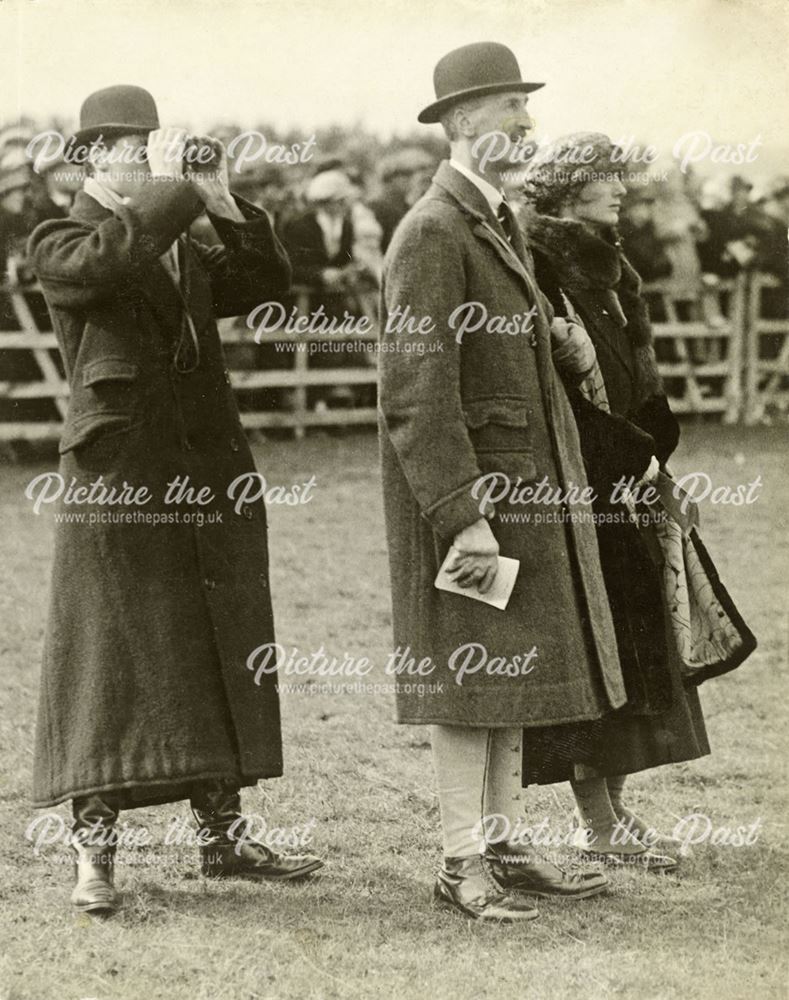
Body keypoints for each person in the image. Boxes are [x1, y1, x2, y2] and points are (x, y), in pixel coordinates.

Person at [27, 85, 323, 917]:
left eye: (153, 143)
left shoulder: (175, 233)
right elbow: (108, 260)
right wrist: (176, 191)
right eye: (131, 146)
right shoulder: (63, 238)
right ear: (90, 158)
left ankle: (222, 836)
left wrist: (225, 201)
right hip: (122, 480)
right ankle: (94, 855)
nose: (149, 155)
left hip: (204, 471)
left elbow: (265, 284)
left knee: (214, 643)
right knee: (113, 661)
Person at [378, 44, 629, 922]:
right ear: (458, 125)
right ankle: (458, 863)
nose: (526, 126)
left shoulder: (497, 222)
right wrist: (460, 515)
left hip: (521, 494)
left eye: (527, 110)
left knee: (508, 679)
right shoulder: (433, 231)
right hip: (476, 504)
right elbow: (414, 390)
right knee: (468, 681)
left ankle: (501, 844)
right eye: (507, 111)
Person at [521, 132, 756, 866]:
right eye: (605, 179)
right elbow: (552, 393)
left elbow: (636, 379)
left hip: (629, 476)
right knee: (602, 652)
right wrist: (625, 453)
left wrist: (651, 450)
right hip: (581, 482)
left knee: (638, 644)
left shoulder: (611, 265)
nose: (621, 189)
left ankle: (615, 815)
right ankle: (598, 825)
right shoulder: (538, 265)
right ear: (564, 189)